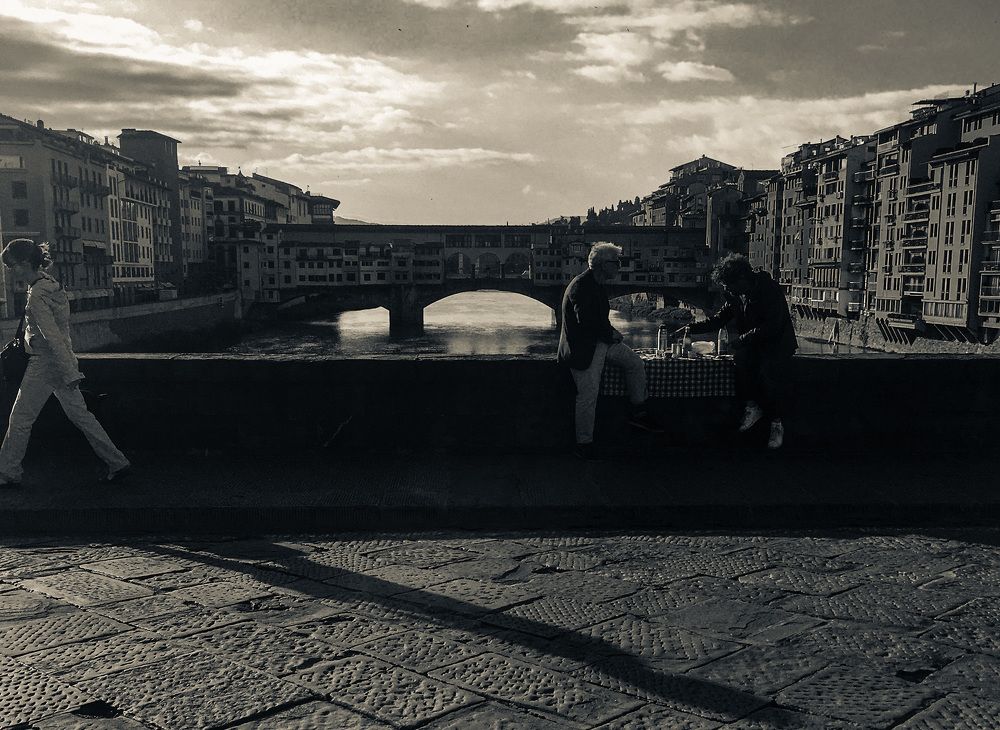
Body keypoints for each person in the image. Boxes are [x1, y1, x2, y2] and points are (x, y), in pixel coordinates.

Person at [0, 239, 130, 485]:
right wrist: (69, 368)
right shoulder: (51, 285)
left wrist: (69, 373)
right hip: (62, 360)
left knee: (20, 420)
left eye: (11, 265)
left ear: (26, 263)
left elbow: (52, 336)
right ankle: (117, 461)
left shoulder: (37, 295)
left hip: (45, 364)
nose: (9, 271)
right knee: (82, 416)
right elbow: (61, 335)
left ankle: (8, 471)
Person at [679, 252, 797, 450]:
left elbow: (772, 326)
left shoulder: (768, 289)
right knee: (740, 362)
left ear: (742, 278)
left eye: (728, 285)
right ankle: (752, 407)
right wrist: (691, 329)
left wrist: (742, 339)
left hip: (777, 343)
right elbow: (718, 319)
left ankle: (776, 424)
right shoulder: (736, 296)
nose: (726, 289)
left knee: (765, 372)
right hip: (753, 344)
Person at [558, 242, 661, 459]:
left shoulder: (596, 284)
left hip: (600, 342)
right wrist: (611, 333)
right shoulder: (582, 286)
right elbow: (586, 321)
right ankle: (583, 444)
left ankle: (638, 411)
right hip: (583, 349)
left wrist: (609, 333)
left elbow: (596, 320)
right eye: (617, 263)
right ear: (603, 265)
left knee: (634, 363)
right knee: (588, 396)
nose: (619, 267)